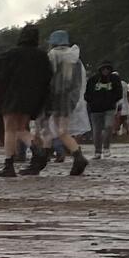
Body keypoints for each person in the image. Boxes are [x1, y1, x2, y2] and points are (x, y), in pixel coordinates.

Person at [0, 24, 53, 178]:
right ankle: (38, 151)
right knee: (21, 128)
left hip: (11, 94)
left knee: (10, 129)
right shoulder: (42, 56)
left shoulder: (12, 53)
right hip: (32, 96)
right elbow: (48, 76)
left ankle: (9, 164)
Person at [39, 30, 88, 176]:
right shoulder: (75, 58)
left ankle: (77, 157)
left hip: (54, 98)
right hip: (69, 99)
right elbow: (79, 82)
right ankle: (42, 159)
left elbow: (47, 79)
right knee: (53, 130)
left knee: (57, 130)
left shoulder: (52, 56)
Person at [85, 60, 123, 157]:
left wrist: (112, 100)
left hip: (109, 108)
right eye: (104, 68)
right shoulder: (93, 80)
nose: (106, 70)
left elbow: (119, 92)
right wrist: (92, 102)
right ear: (100, 69)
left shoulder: (114, 79)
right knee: (97, 131)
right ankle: (97, 151)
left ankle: (106, 147)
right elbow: (87, 94)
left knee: (109, 126)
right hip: (95, 110)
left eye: (108, 69)